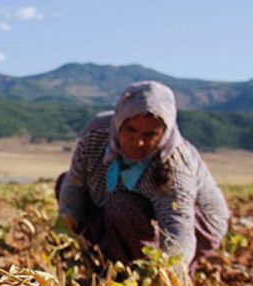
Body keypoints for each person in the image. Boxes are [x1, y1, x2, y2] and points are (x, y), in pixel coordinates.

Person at [56, 81, 229, 274]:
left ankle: (135, 276)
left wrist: (167, 277)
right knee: (65, 184)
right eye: (131, 129)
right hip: (127, 210)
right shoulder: (96, 134)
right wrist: (66, 236)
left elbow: (177, 230)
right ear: (119, 122)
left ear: (164, 133)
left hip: (196, 223)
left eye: (150, 134)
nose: (138, 142)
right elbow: (74, 184)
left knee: (122, 206)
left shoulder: (174, 166)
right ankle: (105, 263)